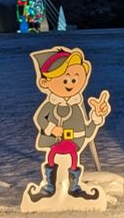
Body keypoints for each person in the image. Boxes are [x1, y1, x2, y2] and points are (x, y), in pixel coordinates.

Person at [27, 46, 110, 203]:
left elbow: (86, 131)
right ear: (45, 82)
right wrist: (52, 128)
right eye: (65, 80)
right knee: (52, 156)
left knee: (73, 157)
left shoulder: (76, 107)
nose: (70, 84)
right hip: (55, 143)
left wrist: (96, 117)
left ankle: (74, 187)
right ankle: (50, 186)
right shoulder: (51, 104)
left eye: (75, 79)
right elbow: (40, 119)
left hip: (73, 143)